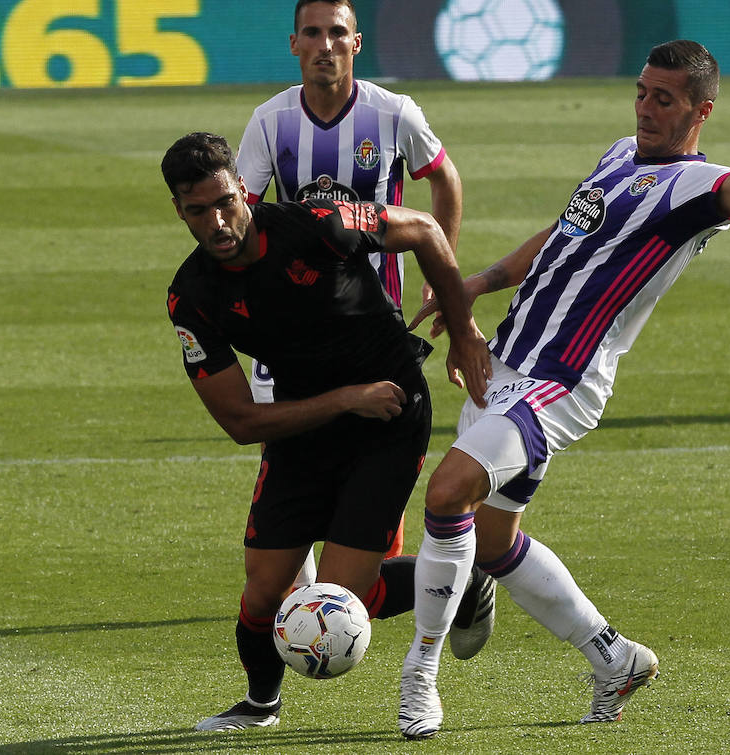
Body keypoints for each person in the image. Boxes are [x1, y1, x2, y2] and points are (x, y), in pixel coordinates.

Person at [394, 40, 730, 738]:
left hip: (562, 379)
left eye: (664, 99)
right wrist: (478, 283)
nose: (646, 108)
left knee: (448, 491)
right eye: (641, 92)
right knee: (491, 538)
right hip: (507, 361)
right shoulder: (617, 155)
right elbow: (562, 237)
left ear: (701, 111)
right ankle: (615, 658)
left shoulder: (697, 188)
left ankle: (418, 676)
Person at [159, 132, 493, 732]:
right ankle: (261, 705)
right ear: (179, 211)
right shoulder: (193, 297)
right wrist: (344, 400)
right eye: (198, 210)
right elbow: (240, 421)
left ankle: (463, 578)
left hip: (389, 412)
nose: (217, 222)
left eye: (226, 202)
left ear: (243, 189)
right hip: (308, 424)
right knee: (264, 593)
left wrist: (463, 330)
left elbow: (424, 229)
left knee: (343, 599)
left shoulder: (319, 224)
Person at [237, 0, 467, 572]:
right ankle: (301, 595)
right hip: (296, 326)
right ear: (293, 44)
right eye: (312, 33)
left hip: (375, 328)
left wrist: (439, 270)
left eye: (337, 32)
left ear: (356, 42)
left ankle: (365, 583)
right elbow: (243, 217)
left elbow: (445, 180)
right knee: (288, 454)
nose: (325, 44)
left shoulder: (393, 113)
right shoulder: (271, 122)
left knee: (377, 456)